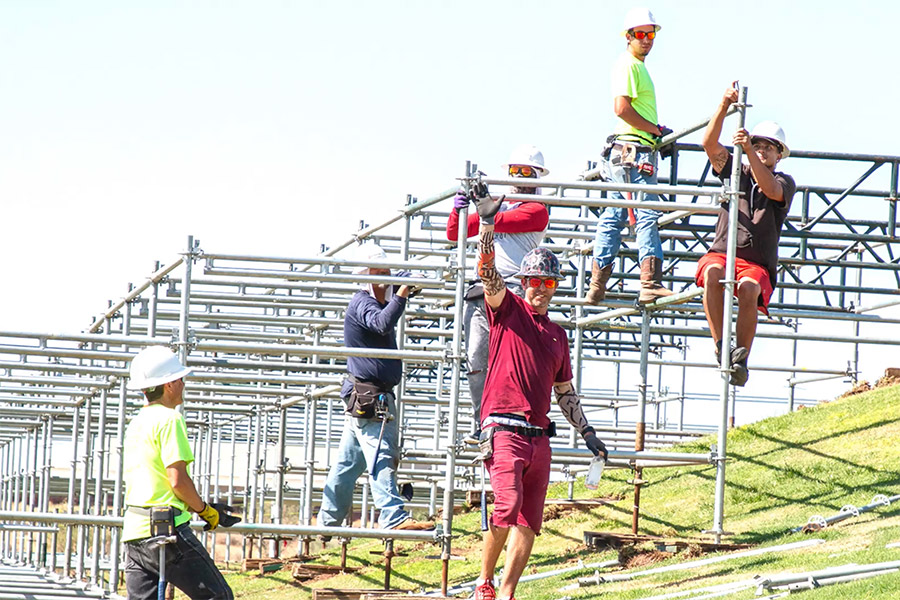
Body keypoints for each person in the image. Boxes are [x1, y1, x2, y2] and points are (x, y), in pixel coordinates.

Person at [468, 186, 608, 600]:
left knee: (529, 520)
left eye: (548, 281)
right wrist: (489, 226)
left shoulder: (557, 336)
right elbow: (487, 273)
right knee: (505, 507)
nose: (540, 288)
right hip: (504, 429)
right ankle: (484, 583)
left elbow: (565, 391)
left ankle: (508, 592)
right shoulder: (507, 309)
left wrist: (587, 433)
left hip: (539, 436)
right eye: (533, 281)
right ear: (524, 282)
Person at [317, 242, 434, 535]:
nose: (385, 276)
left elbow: (385, 317)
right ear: (365, 275)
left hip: (366, 396)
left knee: (346, 467)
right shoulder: (362, 302)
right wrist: (404, 292)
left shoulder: (377, 302)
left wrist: (403, 292)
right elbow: (382, 324)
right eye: (378, 271)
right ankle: (393, 516)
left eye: (387, 271)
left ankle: (326, 524)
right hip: (371, 397)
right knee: (381, 454)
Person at [446, 144, 550, 443]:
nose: (518, 177)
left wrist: (484, 209)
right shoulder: (498, 207)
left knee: (513, 362)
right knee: (476, 361)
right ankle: (483, 423)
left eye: (525, 172)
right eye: (514, 171)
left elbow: (496, 222)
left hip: (513, 291)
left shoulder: (538, 210)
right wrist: (459, 208)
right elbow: (456, 234)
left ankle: (512, 420)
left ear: (537, 176)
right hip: (481, 289)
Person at [123, 346, 241, 600]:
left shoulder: (136, 423)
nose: (183, 384)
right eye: (180, 379)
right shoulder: (170, 419)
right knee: (218, 597)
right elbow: (177, 480)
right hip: (165, 532)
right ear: (168, 385)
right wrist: (204, 510)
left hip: (135, 531)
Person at [698, 85, 797, 386]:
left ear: (780, 155)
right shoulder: (735, 172)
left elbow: (769, 189)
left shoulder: (784, 181)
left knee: (750, 289)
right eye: (758, 144)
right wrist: (724, 105)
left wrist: (749, 153)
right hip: (723, 252)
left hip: (756, 262)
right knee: (713, 273)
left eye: (769, 146)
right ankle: (720, 347)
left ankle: (741, 357)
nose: (762, 150)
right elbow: (709, 144)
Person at [586, 7, 674, 305]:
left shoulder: (634, 65)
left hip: (623, 152)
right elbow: (622, 108)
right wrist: (656, 131)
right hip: (634, 151)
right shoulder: (628, 65)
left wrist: (654, 132)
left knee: (614, 214)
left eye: (650, 34)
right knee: (646, 213)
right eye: (640, 34)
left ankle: (597, 284)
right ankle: (649, 282)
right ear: (628, 37)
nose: (647, 39)